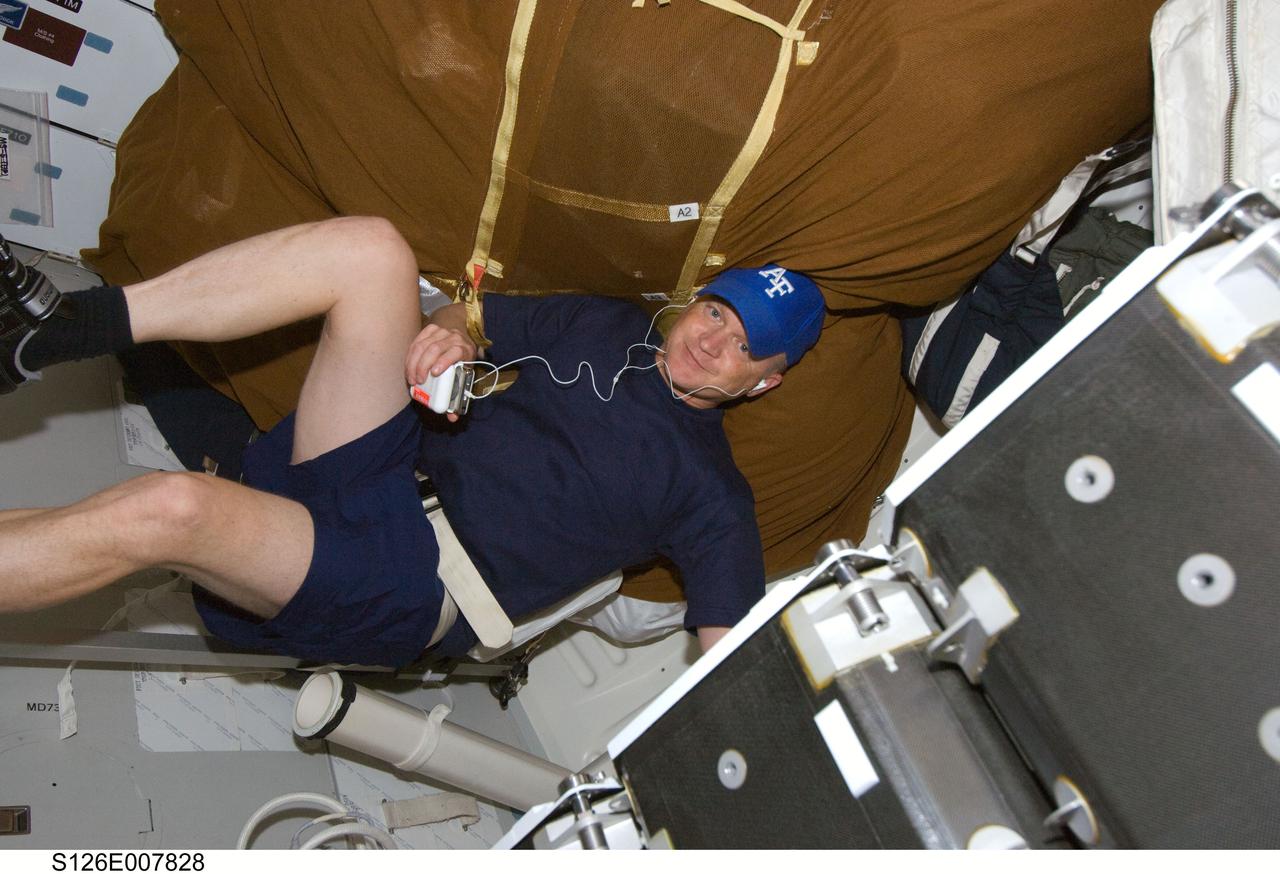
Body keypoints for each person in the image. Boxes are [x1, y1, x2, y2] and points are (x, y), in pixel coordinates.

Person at [0, 218, 824, 666]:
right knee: (373, 251)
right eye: (717, 311)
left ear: (764, 383)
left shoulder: (713, 494)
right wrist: (452, 336)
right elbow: (463, 312)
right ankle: (55, 329)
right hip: (388, 455)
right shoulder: (605, 325)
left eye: (745, 345)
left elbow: (735, 668)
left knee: (171, 508)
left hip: (419, 580)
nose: (713, 340)